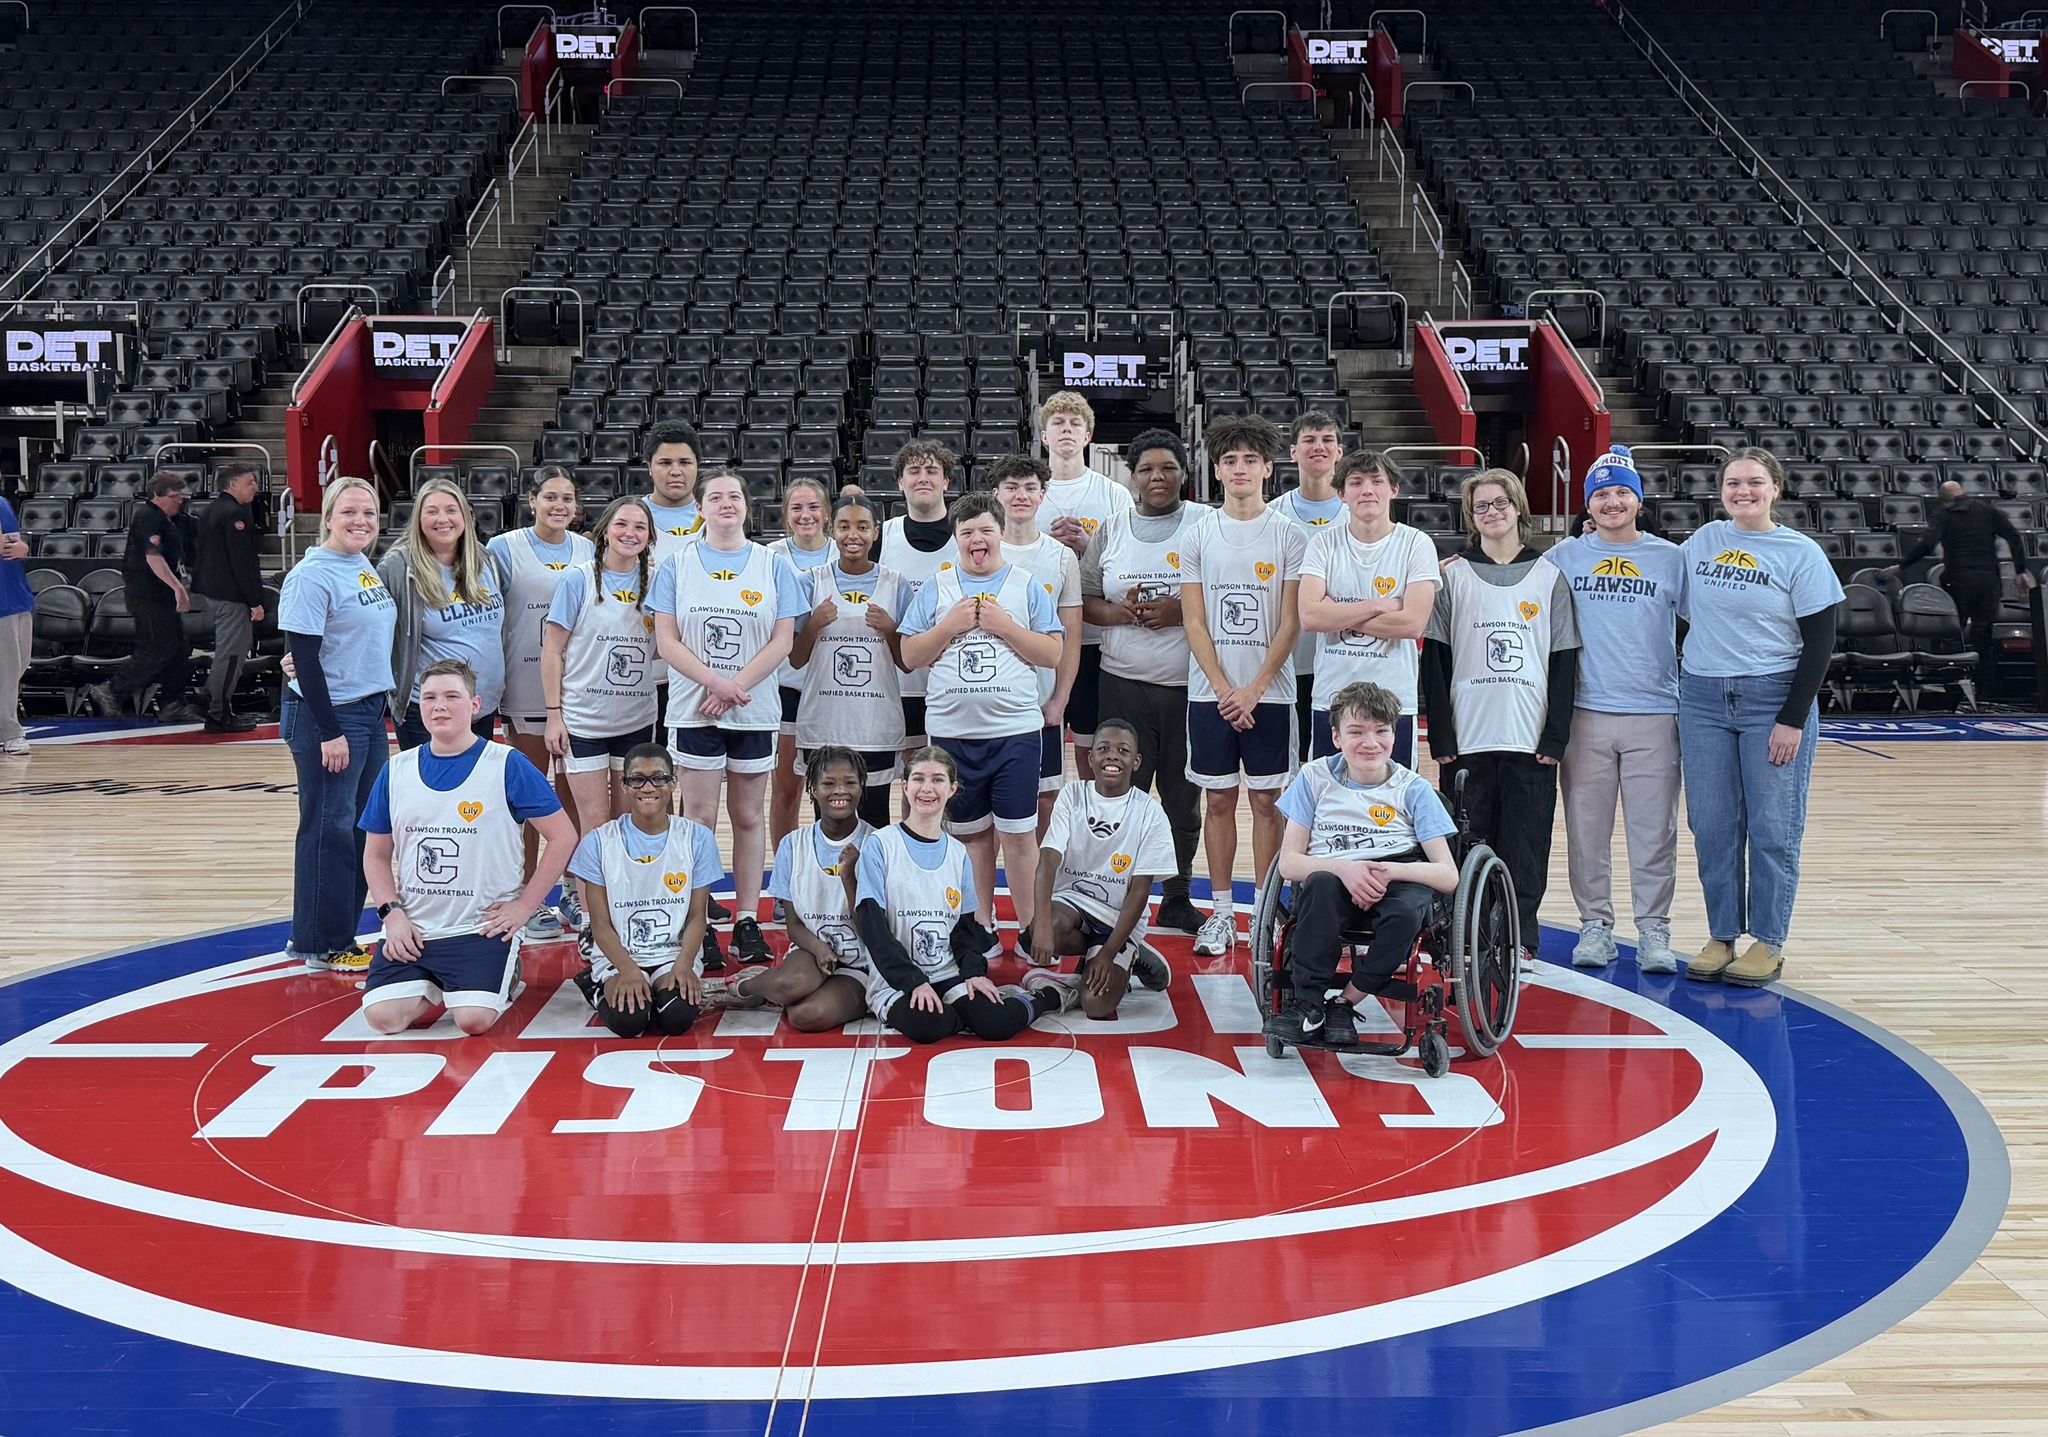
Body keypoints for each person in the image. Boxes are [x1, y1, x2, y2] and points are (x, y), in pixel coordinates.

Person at [1678, 448, 1843, 988]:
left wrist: (1793, 717)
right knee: (1712, 825)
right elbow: (1673, 601)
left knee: (1773, 827)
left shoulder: (1800, 553)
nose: (1742, 491)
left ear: (1776, 488)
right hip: (1702, 697)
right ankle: (1722, 934)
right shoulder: (1702, 540)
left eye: (1754, 482)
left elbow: (1820, 643)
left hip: (1772, 699)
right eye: (1732, 483)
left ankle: (1768, 941)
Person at [359, 659, 577, 1036]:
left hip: (480, 927)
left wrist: (524, 907)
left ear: (475, 705)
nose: (439, 706)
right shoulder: (396, 769)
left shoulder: (507, 764)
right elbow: (375, 855)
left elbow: (564, 836)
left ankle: (501, 973)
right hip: (415, 927)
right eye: (429, 698)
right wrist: (392, 916)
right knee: (383, 1019)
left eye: (451, 697)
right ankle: (441, 982)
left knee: (473, 1020)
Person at [649, 469, 808, 970]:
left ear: (746, 506)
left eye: (734, 496)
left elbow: (783, 641)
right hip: (696, 708)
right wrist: (715, 684)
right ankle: (697, 922)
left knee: (747, 817)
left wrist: (733, 685)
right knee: (697, 820)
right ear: (700, 509)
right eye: (714, 497)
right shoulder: (676, 564)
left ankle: (746, 920)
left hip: (753, 709)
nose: (725, 503)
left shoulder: (772, 564)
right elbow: (667, 641)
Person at [1421, 469, 1580, 966]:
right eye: (1480, 506)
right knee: (1466, 839)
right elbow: (1436, 661)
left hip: (1528, 736)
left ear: (1518, 508)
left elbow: (1564, 661)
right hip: (1467, 736)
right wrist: (1440, 732)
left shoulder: (1549, 577)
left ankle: (1518, 939)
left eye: (1500, 502)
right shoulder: (1452, 576)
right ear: (1470, 518)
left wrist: (1556, 737)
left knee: (1526, 843)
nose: (1492, 512)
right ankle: (1466, 934)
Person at [898, 491, 1065, 954]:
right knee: (971, 836)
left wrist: (1005, 627)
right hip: (952, 735)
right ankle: (980, 928)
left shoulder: (1026, 585)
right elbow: (910, 656)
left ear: (1001, 534)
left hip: (1014, 732)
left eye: (985, 531)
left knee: (1018, 834)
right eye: (967, 531)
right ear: (956, 538)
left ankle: (1032, 929)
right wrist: (950, 626)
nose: (977, 539)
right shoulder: (937, 586)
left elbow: (1053, 652)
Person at [1547, 447, 1686, 974]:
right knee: (1587, 831)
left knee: (1654, 831)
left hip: (1655, 711)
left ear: (1638, 500)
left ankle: (1654, 930)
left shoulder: (1671, 559)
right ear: (1588, 504)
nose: (1612, 501)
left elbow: (1711, 617)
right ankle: (1595, 926)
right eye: (1601, 494)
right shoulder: (1563, 556)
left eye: (1621, 491)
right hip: (1586, 712)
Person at [1263, 681, 1461, 1050]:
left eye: (1380, 731)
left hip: (1399, 872)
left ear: (1394, 735)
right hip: (1332, 874)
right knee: (1319, 884)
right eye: (1356, 732)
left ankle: (1344, 1003)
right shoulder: (1313, 778)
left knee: (1406, 912)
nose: (1370, 742)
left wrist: (1386, 872)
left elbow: (1448, 876)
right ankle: (1308, 1005)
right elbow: (1289, 864)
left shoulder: (1413, 789)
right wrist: (1346, 870)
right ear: (1336, 737)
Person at [1180, 413, 1307, 957]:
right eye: (1230, 461)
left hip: (1270, 694)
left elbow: (1291, 622)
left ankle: (1263, 913)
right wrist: (1223, 687)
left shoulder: (1290, 535)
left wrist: (1253, 688)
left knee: (1266, 802)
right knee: (1218, 802)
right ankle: (1223, 913)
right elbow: (1194, 621)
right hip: (1209, 693)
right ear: (1217, 469)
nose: (1240, 469)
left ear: (1267, 469)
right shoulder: (1197, 533)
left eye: (1250, 460)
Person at [845, 745, 1067, 1042]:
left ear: (952, 788)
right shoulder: (881, 844)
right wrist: (913, 982)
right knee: (928, 1025)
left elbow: (965, 930)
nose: (927, 788)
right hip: (895, 979)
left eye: (937, 780)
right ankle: (965, 1016)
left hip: (947, 972)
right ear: (905, 786)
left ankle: (1049, 995)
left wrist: (974, 973)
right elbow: (873, 928)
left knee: (996, 1024)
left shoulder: (958, 853)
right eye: (919, 779)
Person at [1082, 428, 1206, 935]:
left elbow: (1227, 594)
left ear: (1183, 473)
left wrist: (1182, 611)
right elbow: (1084, 601)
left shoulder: (1206, 523)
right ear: (1132, 476)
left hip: (1186, 687)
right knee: (1116, 796)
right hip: (1122, 685)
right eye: (1148, 469)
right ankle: (1105, 897)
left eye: (1168, 468)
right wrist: (1117, 614)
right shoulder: (1111, 529)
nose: (1159, 477)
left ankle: (1176, 897)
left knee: (1181, 799)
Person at [276, 477, 398, 974]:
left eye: (368, 513)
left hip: (367, 710)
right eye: (349, 512)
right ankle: (320, 943)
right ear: (327, 517)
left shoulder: (360, 563)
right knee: (329, 829)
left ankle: (339, 932)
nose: (360, 522)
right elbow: (302, 655)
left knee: (360, 829)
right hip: (329, 716)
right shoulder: (312, 574)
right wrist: (330, 731)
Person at [487, 465, 592, 937]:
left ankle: (570, 888)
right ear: (532, 500)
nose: (559, 506)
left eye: (567, 498)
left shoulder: (589, 549)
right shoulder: (503, 549)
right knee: (530, 800)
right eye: (550, 497)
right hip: (526, 687)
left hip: (581, 688)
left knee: (572, 798)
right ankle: (526, 894)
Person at [564, 743, 722, 1038]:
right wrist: (627, 969)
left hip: (672, 952)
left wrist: (685, 964)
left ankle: (658, 990)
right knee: (629, 1021)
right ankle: (596, 986)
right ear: (624, 785)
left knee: (677, 1019)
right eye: (637, 778)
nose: (648, 787)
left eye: (659, 778)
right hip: (620, 954)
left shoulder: (697, 838)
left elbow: (697, 917)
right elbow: (599, 923)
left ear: (673, 782)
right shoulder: (599, 842)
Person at [1024, 719, 1177, 1018]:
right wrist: (1040, 923)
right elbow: (1048, 860)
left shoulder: (1150, 811)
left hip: (1118, 917)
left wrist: (1108, 953)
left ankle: (1129, 953)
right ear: (1090, 757)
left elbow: (1139, 891)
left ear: (1136, 761)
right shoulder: (1071, 796)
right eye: (1104, 748)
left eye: (1123, 750)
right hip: (1074, 904)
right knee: (1040, 930)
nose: (1112, 756)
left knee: (1096, 1006)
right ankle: (1093, 952)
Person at [1297, 449, 1438, 767]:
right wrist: (1378, 606)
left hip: (1394, 702)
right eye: (1356, 482)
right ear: (1341, 494)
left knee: (1392, 808)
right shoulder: (1323, 543)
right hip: (1331, 700)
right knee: (1330, 804)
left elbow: (1412, 624)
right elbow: (1310, 616)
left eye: (1377, 481)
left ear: (1394, 489)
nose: (1367, 490)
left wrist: (1338, 616)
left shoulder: (1416, 544)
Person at [541, 495, 660, 841]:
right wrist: (553, 714)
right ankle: (584, 897)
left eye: (640, 527)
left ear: (649, 538)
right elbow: (552, 651)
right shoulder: (576, 580)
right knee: (593, 825)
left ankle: (621, 898)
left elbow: (662, 646)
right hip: (583, 720)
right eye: (621, 524)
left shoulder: (657, 582)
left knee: (626, 823)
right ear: (605, 530)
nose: (630, 533)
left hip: (635, 719)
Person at [736, 745, 876, 1030]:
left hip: (864, 962)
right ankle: (744, 988)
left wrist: (849, 878)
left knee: (804, 1016)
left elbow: (875, 931)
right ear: (812, 788)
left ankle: (798, 990)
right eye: (828, 783)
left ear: (862, 787)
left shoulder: (878, 844)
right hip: (812, 951)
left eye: (850, 782)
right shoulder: (792, 844)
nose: (840, 791)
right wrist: (819, 948)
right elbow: (794, 924)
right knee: (790, 985)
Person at [790, 495, 907, 830]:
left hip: (875, 725)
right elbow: (796, 659)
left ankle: (873, 883)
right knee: (825, 819)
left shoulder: (896, 585)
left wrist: (891, 629)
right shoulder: (811, 581)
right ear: (832, 530)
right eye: (844, 526)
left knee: (876, 819)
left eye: (862, 526)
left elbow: (907, 663)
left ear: (875, 532)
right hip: (823, 724)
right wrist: (813, 623)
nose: (852, 535)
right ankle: (824, 882)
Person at [1034, 390, 1134, 782]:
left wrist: (1089, 548)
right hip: (1041, 639)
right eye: (1058, 423)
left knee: (1091, 748)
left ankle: (1092, 829)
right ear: (1044, 436)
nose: (1067, 429)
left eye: (1075, 423)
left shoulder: (1114, 494)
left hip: (1096, 640)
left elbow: (1128, 563)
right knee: (1044, 753)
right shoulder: (1028, 493)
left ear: (1089, 436)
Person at [988, 454, 1083, 829]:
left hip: (1041, 702)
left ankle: (1039, 890)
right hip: (988, 700)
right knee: (985, 806)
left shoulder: (1060, 557)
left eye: (1030, 488)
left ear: (1043, 496)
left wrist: (1060, 699)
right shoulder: (976, 550)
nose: (1021, 496)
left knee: (1045, 800)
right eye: (1011, 487)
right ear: (996, 494)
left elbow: (1072, 636)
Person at [379, 477, 506, 750]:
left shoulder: (485, 560)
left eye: (451, 510)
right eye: (432, 511)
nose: (443, 519)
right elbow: (366, 618)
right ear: (418, 520)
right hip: (428, 712)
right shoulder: (399, 566)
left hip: (480, 708)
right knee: (432, 792)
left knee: (476, 792)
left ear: (465, 516)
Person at [1889, 479, 2037, 701]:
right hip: (1988, 581)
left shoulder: (1945, 515)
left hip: (1958, 580)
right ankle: (1987, 691)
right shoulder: (1988, 510)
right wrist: (2021, 570)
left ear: (1945, 499)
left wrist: (1902, 565)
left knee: (1951, 633)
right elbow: (2014, 537)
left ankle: (1953, 690)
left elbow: (1928, 543)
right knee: (1983, 634)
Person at [873, 439, 960, 768]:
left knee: (952, 773)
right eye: (914, 471)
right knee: (913, 776)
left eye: (932, 470)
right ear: (901, 482)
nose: (923, 477)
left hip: (953, 680)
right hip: (899, 682)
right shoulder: (883, 538)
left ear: (946, 482)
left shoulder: (967, 536)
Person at [88, 473, 197, 722]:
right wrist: (178, 588)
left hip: (162, 595)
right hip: (148, 595)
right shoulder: (148, 517)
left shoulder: (170, 520)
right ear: (157, 496)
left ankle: (173, 702)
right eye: (174, 496)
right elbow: (153, 557)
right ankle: (112, 689)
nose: (179, 501)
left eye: (181, 496)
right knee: (159, 648)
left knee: (179, 647)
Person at [768, 475, 838, 852]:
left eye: (813, 507)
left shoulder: (846, 551)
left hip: (835, 685)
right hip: (789, 685)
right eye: (797, 507)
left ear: (826, 514)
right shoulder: (769, 557)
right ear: (785, 515)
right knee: (787, 787)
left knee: (832, 785)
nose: (805, 514)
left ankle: (827, 868)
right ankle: (784, 874)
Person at [1273, 411, 1348, 758]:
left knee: (1343, 761)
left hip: (1344, 658)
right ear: (1293, 452)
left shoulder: (1361, 514)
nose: (1319, 447)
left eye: (1327, 440)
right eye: (1309, 440)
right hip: (1288, 661)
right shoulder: (1272, 516)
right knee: (1294, 767)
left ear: (1340, 452)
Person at [189, 462, 266, 733]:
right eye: (250, 482)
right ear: (232, 484)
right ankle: (217, 711)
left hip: (212, 592)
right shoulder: (235, 514)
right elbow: (241, 562)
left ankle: (212, 700)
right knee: (232, 655)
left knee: (228, 653)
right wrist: (254, 600)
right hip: (231, 596)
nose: (255, 487)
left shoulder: (211, 510)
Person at [0, 490, 34, 756]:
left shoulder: (3, 504)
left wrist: (23, 549)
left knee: (20, 663)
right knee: (7, 670)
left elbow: (16, 544)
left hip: (17, 593)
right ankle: (11, 732)